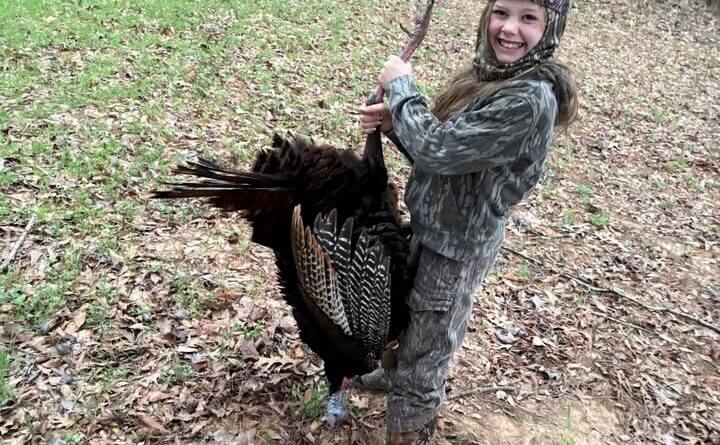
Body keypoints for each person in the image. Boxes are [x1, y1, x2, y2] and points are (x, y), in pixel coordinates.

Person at [356, 0, 578, 443]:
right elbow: (448, 156)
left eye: (528, 18)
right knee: (405, 316)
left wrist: (401, 88)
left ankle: (410, 425)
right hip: (431, 227)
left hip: (456, 249)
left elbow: (437, 149)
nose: (509, 28)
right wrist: (396, 125)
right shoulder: (489, 77)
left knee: (428, 350)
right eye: (501, 12)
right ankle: (393, 375)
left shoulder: (528, 100)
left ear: (550, 27)